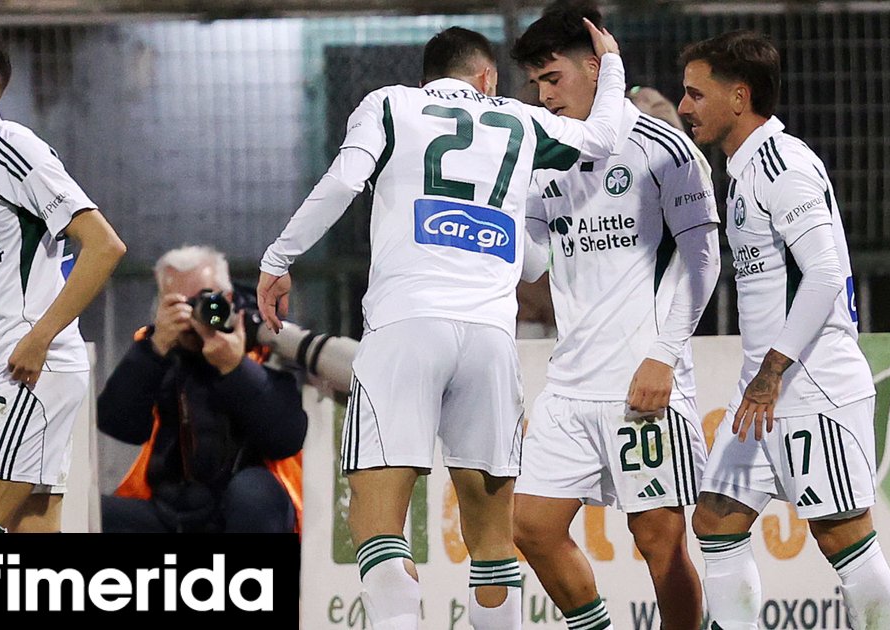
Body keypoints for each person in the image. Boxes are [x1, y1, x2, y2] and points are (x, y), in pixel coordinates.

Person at [257, 22, 628, 630]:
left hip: (406, 328)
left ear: (428, 77)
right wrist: (609, 64)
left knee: (376, 526)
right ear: (487, 77)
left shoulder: (390, 104)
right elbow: (602, 139)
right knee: (491, 539)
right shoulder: (518, 120)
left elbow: (345, 180)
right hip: (490, 341)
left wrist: (279, 258)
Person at [677, 31, 890, 629]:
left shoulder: (782, 165)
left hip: (811, 387)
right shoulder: (744, 170)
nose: (685, 106)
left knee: (843, 537)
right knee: (716, 518)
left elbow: (825, 273)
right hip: (766, 393)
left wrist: (771, 372)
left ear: (739, 97)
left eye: (696, 93)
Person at [509, 2, 720, 628]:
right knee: (532, 526)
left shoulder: (664, 148)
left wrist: (663, 356)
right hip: (570, 384)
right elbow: (531, 262)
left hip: (642, 382)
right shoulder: (546, 157)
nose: (544, 97)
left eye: (553, 79)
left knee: (659, 544)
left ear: (597, 69)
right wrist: (498, 205)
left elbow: (703, 260)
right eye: (536, 84)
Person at [0, 27, 126, 534]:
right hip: (15, 362)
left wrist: (40, 337)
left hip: (33, 369)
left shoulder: (13, 149)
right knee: (33, 533)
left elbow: (104, 246)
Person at [98, 245, 306, 533]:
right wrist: (153, 351)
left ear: (228, 298)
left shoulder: (264, 339)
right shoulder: (163, 348)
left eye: (206, 299)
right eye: (180, 304)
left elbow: (286, 439)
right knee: (87, 512)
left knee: (252, 493)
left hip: (246, 509)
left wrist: (235, 368)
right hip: (173, 510)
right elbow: (118, 425)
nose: (197, 313)